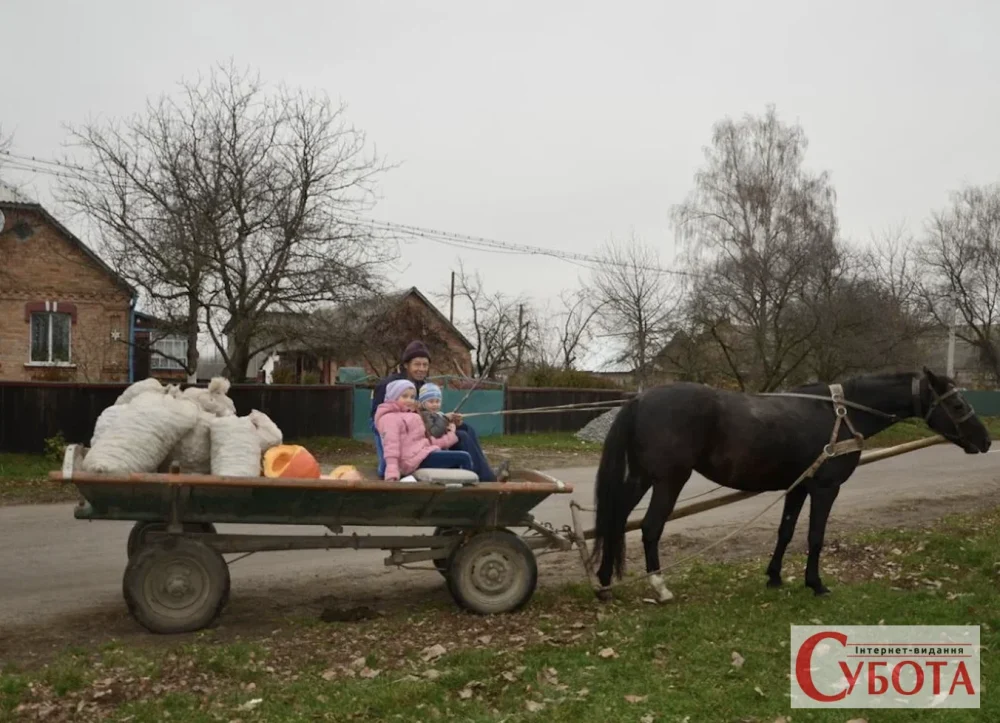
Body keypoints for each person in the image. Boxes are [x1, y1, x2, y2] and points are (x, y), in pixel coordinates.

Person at [371, 340, 509, 482]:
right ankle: (485, 478)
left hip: (424, 429)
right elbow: (378, 419)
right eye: (417, 364)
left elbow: (425, 412)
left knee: (466, 429)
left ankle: (483, 470)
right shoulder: (391, 385)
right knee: (462, 436)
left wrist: (445, 418)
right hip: (410, 437)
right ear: (406, 365)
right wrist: (387, 461)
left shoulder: (422, 384)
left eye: (425, 365)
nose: (421, 369)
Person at [374, 380, 474, 481]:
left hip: (422, 454)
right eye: (404, 396)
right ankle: (469, 491)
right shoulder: (389, 418)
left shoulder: (413, 415)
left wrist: (451, 436)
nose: (409, 400)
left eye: (412, 397)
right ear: (393, 397)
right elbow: (391, 447)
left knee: (462, 456)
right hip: (410, 461)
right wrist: (392, 474)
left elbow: (427, 441)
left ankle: (459, 489)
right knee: (463, 458)